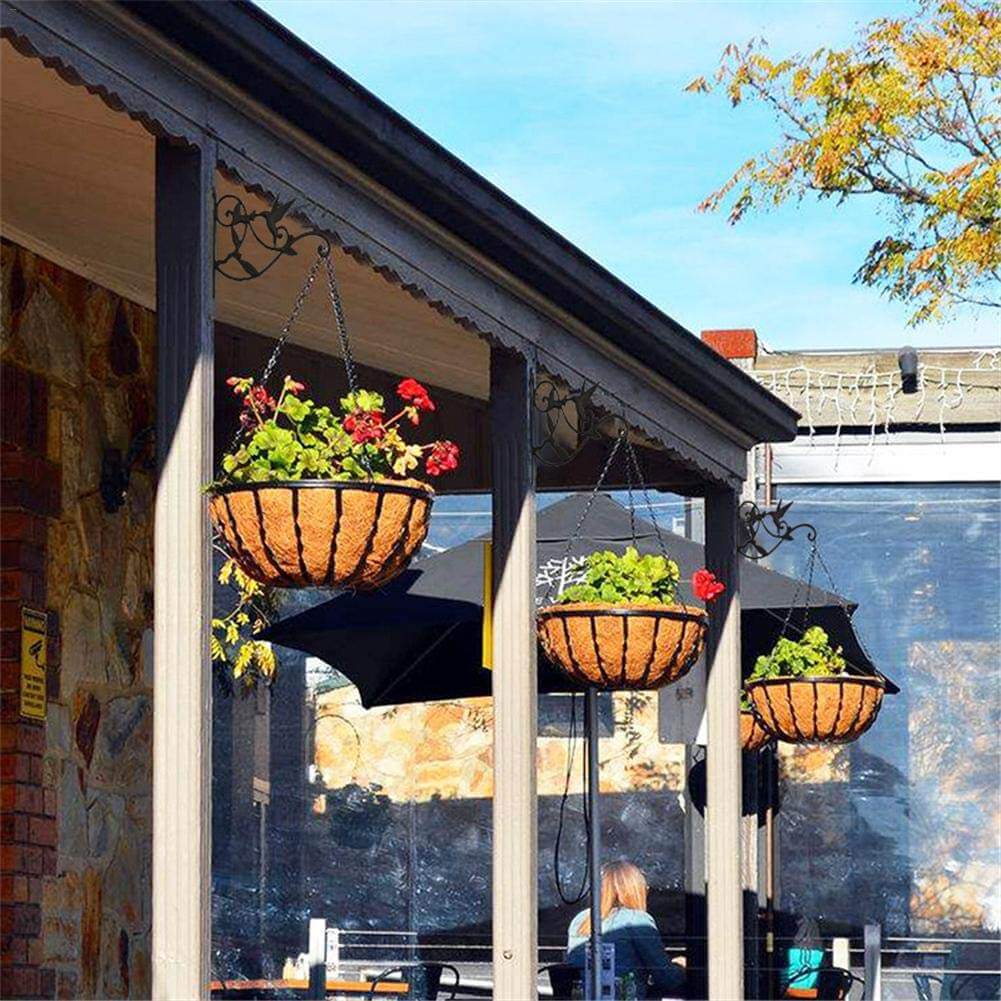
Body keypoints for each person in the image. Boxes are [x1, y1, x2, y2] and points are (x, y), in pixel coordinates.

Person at [567, 860, 684, 999]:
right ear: (635, 890)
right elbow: (667, 979)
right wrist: (681, 966)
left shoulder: (580, 920)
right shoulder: (637, 921)